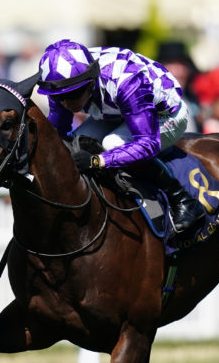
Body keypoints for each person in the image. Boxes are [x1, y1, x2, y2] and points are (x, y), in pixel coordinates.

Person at [36, 39, 206, 234]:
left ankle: (181, 198)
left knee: (111, 144)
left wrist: (97, 160)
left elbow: (147, 144)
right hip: (117, 110)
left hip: (165, 113)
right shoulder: (60, 82)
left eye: (74, 94)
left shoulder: (127, 81)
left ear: (90, 81)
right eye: (59, 97)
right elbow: (56, 133)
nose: (66, 104)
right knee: (75, 145)